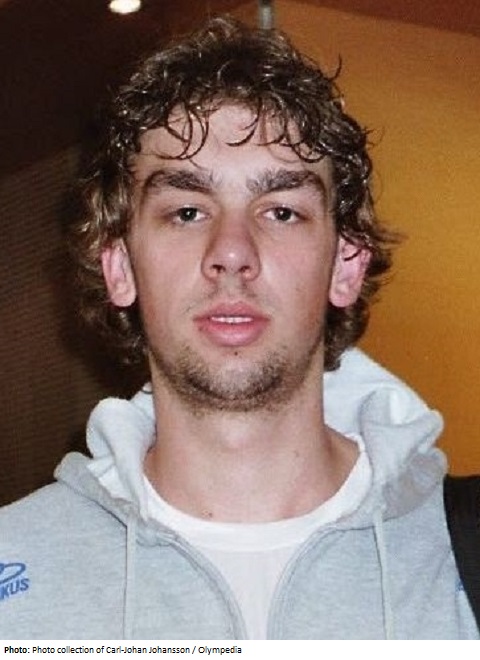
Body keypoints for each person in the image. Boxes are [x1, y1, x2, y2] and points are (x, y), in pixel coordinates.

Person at [0, 17, 476, 640]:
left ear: (346, 265)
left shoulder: (457, 552)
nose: (231, 252)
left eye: (281, 211)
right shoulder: (17, 577)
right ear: (120, 267)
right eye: (186, 211)